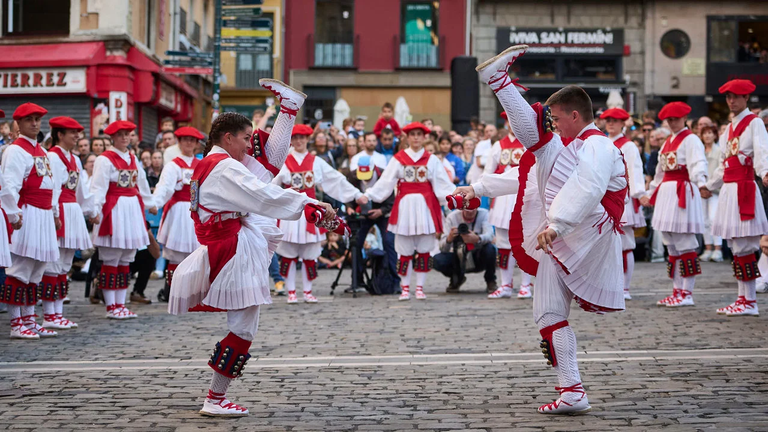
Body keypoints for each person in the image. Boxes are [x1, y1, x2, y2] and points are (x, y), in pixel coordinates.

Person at [465, 44, 628, 414]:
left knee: (540, 141)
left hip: (587, 230)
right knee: (548, 313)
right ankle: (573, 392)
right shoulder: (575, 145)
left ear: (574, 114)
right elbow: (526, 177)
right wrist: (476, 188)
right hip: (575, 230)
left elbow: (588, 185)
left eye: (556, 117)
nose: (554, 123)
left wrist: (558, 224)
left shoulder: (598, 145)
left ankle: (499, 80)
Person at [167, 109, 338, 417]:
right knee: (244, 327)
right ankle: (215, 399)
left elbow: (262, 182)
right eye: (246, 138)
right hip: (233, 251)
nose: (249, 145)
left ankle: (216, 397)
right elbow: (262, 194)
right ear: (227, 137)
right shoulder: (224, 168)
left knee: (244, 325)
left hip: (228, 245)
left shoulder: (212, 164)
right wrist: (307, 203)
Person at [359, 122, 454, 301]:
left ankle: (419, 287)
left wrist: (456, 195)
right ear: (407, 137)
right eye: (412, 134)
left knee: (425, 249)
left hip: (426, 206)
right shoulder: (398, 158)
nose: (416, 137)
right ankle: (405, 288)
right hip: (405, 207)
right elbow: (385, 182)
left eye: (419, 134)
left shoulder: (432, 160)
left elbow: (443, 185)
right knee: (404, 250)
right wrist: (369, 195)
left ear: (424, 137)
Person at [272, 124, 363, 303]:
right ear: (291, 140)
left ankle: (307, 291)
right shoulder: (284, 161)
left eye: (302, 138)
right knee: (289, 256)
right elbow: (271, 185)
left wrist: (356, 195)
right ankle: (291, 292)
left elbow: (335, 180)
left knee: (310, 255)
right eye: (295, 138)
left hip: (311, 214)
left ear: (307, 140)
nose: (299, 141)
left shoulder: (316, 162)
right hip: (290, 214)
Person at [703, 79, 768, 316]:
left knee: (745, 245)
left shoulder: (754, 123)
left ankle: (749, 300)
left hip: (744, 188)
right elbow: (723, 165)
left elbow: (762, 151)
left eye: (736, 96)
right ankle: (743, 297)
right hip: (730, 188)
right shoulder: (729, 129)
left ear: (746, 98)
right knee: (736, 246)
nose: (731, 101)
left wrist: (765, 171)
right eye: (728, 96)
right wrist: (710, 185)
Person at [640, 102, 707, 308]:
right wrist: (650, 192)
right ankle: (677, 290)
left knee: (685, 241)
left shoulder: (691, 139)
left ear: (685, 119)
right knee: (670, 243)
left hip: (682, 191)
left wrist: (702, 182)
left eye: (675, 119)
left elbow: (698, 163)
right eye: (669, 120)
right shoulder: (667, 141)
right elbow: (659, 172)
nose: (672, 123)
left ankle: (687, 292)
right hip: (667, 193)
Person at [1, 103, 58, 339]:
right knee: (20, 268)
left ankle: (29, 319)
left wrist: (53, 213)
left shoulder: (42, 151)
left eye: (37, 119)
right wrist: (13, 213)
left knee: (37, 269)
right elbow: (9, 185)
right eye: (29, 120)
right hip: (27, 212)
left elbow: (50, 185)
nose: (34, 123)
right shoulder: (15, 150)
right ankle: (16, 323)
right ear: (19, 124)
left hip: (43, 214)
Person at [90, 120, 157, 319]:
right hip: (114, 208)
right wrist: (95, 210)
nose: (125, 137)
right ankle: (111, 305)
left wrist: (149, 202)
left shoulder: (132, 157)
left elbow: (142, 183)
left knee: (126, 257)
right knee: (111, 257)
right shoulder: (105, 159)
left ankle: (121, 303)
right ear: (112, 137)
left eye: (127, 134)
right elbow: (98, 187)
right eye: (120, 134)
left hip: (131, 209)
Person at [43, 117, 97, 329]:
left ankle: (58, 312)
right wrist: (54, 212)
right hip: (60, 210)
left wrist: (91, 211)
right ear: (59, 135)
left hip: (72, 209)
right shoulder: (53, 157)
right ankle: (49, 313)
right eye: (71, 132)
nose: (76, 136)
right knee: (53, 264)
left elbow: (81, 189)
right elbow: (53, 187)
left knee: (65, 265)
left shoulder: (75, 159)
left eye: (77, 132)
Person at [483, 112, 534, 299]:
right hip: (503, 199)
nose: (513, 125)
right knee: (504, 245)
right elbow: (488, 172)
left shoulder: (531, 143)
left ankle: (526, 285)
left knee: (526, 243)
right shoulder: (498, 145)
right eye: (510, 121)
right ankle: (505, 285)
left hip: (524, 196)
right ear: (506, 123)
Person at [151, 127, 205, 303]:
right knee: (176, 255)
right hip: (178, 212)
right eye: (185, 139)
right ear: (179, 142)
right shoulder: (173, 165)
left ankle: (193, 294)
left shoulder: (202, 165)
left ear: (197, 144)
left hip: (196, 212)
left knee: (196, 254)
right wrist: (155, 203)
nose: (188, 143)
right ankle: (174, 294)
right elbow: (165, 187)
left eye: (192, 140)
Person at [601, 108, 647, 300]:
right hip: (603, 197)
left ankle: (625, 287)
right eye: (608, 120)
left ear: (622, 124)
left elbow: (635, 171)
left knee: (625, 243)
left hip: (623, 198)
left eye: (614, 121)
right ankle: (610, 284)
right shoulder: (602, 142)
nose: (610, 124)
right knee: (606, 244)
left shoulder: (628, 146)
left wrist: (639, 193)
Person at [435, 206, 496, 292]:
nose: (470, 213)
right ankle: (456, 278)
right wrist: (449, 238)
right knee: (437, 260)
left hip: (477, 255)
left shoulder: (484, 214)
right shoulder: (452, 217)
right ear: (461, 209)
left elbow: (490, 235)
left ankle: (490, 280)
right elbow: (442, 247)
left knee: (490, 249)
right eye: (467, 211)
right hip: (457, 256)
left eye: (473, 210)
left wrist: (477, 238)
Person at [700, 125, 723, 262]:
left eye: (710, 133)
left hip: (715, 190)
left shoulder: (719, 151)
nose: (707, 136)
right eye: (705, 133)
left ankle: (718, 249)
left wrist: (711, 186)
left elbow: (720, 170)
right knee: (704, 220)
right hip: (701, 190)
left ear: (715, 135)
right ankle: (708, 248)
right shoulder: (700, 151)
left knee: (714, 218)